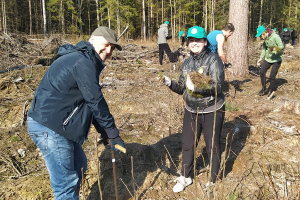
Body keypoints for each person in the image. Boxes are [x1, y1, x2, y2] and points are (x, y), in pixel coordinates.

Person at [27, 26, 125, 200]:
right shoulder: (83, 61)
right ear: (93, 39)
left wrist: (105, 134)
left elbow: (88, 102)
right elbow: (96, 101)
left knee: (80, 165)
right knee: (65, 186)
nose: (109, 50)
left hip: (58, 124)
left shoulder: (83, 59)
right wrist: (114, 134)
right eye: (106, 44)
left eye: (113, 47)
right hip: (51, 127)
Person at [160, 26, 225, 192]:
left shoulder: (213, 60)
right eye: (191, 40)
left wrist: (197, 89)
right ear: (187, 42)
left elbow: (218, 86)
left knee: (212, 146)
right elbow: (182, 88)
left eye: (198, 40)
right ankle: (185, 176)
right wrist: (170, 84)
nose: (194, 43)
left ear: (204, 42)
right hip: (191, 110)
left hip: (211, 109)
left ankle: (213, 180)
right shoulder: (187, 63)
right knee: (188, 144)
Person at [255, 25, 284, 97]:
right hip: (268, 59)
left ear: (264, 33)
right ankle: (264, 88)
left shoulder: (275, 36)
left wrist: (274, 50)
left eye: (260, 36)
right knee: (262, 72)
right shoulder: (266, 39)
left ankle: (272, 90)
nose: (260, 37)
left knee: (272, 76)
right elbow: (264, 49)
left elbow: (281, 46)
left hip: (276, 59)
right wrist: (261, 58)